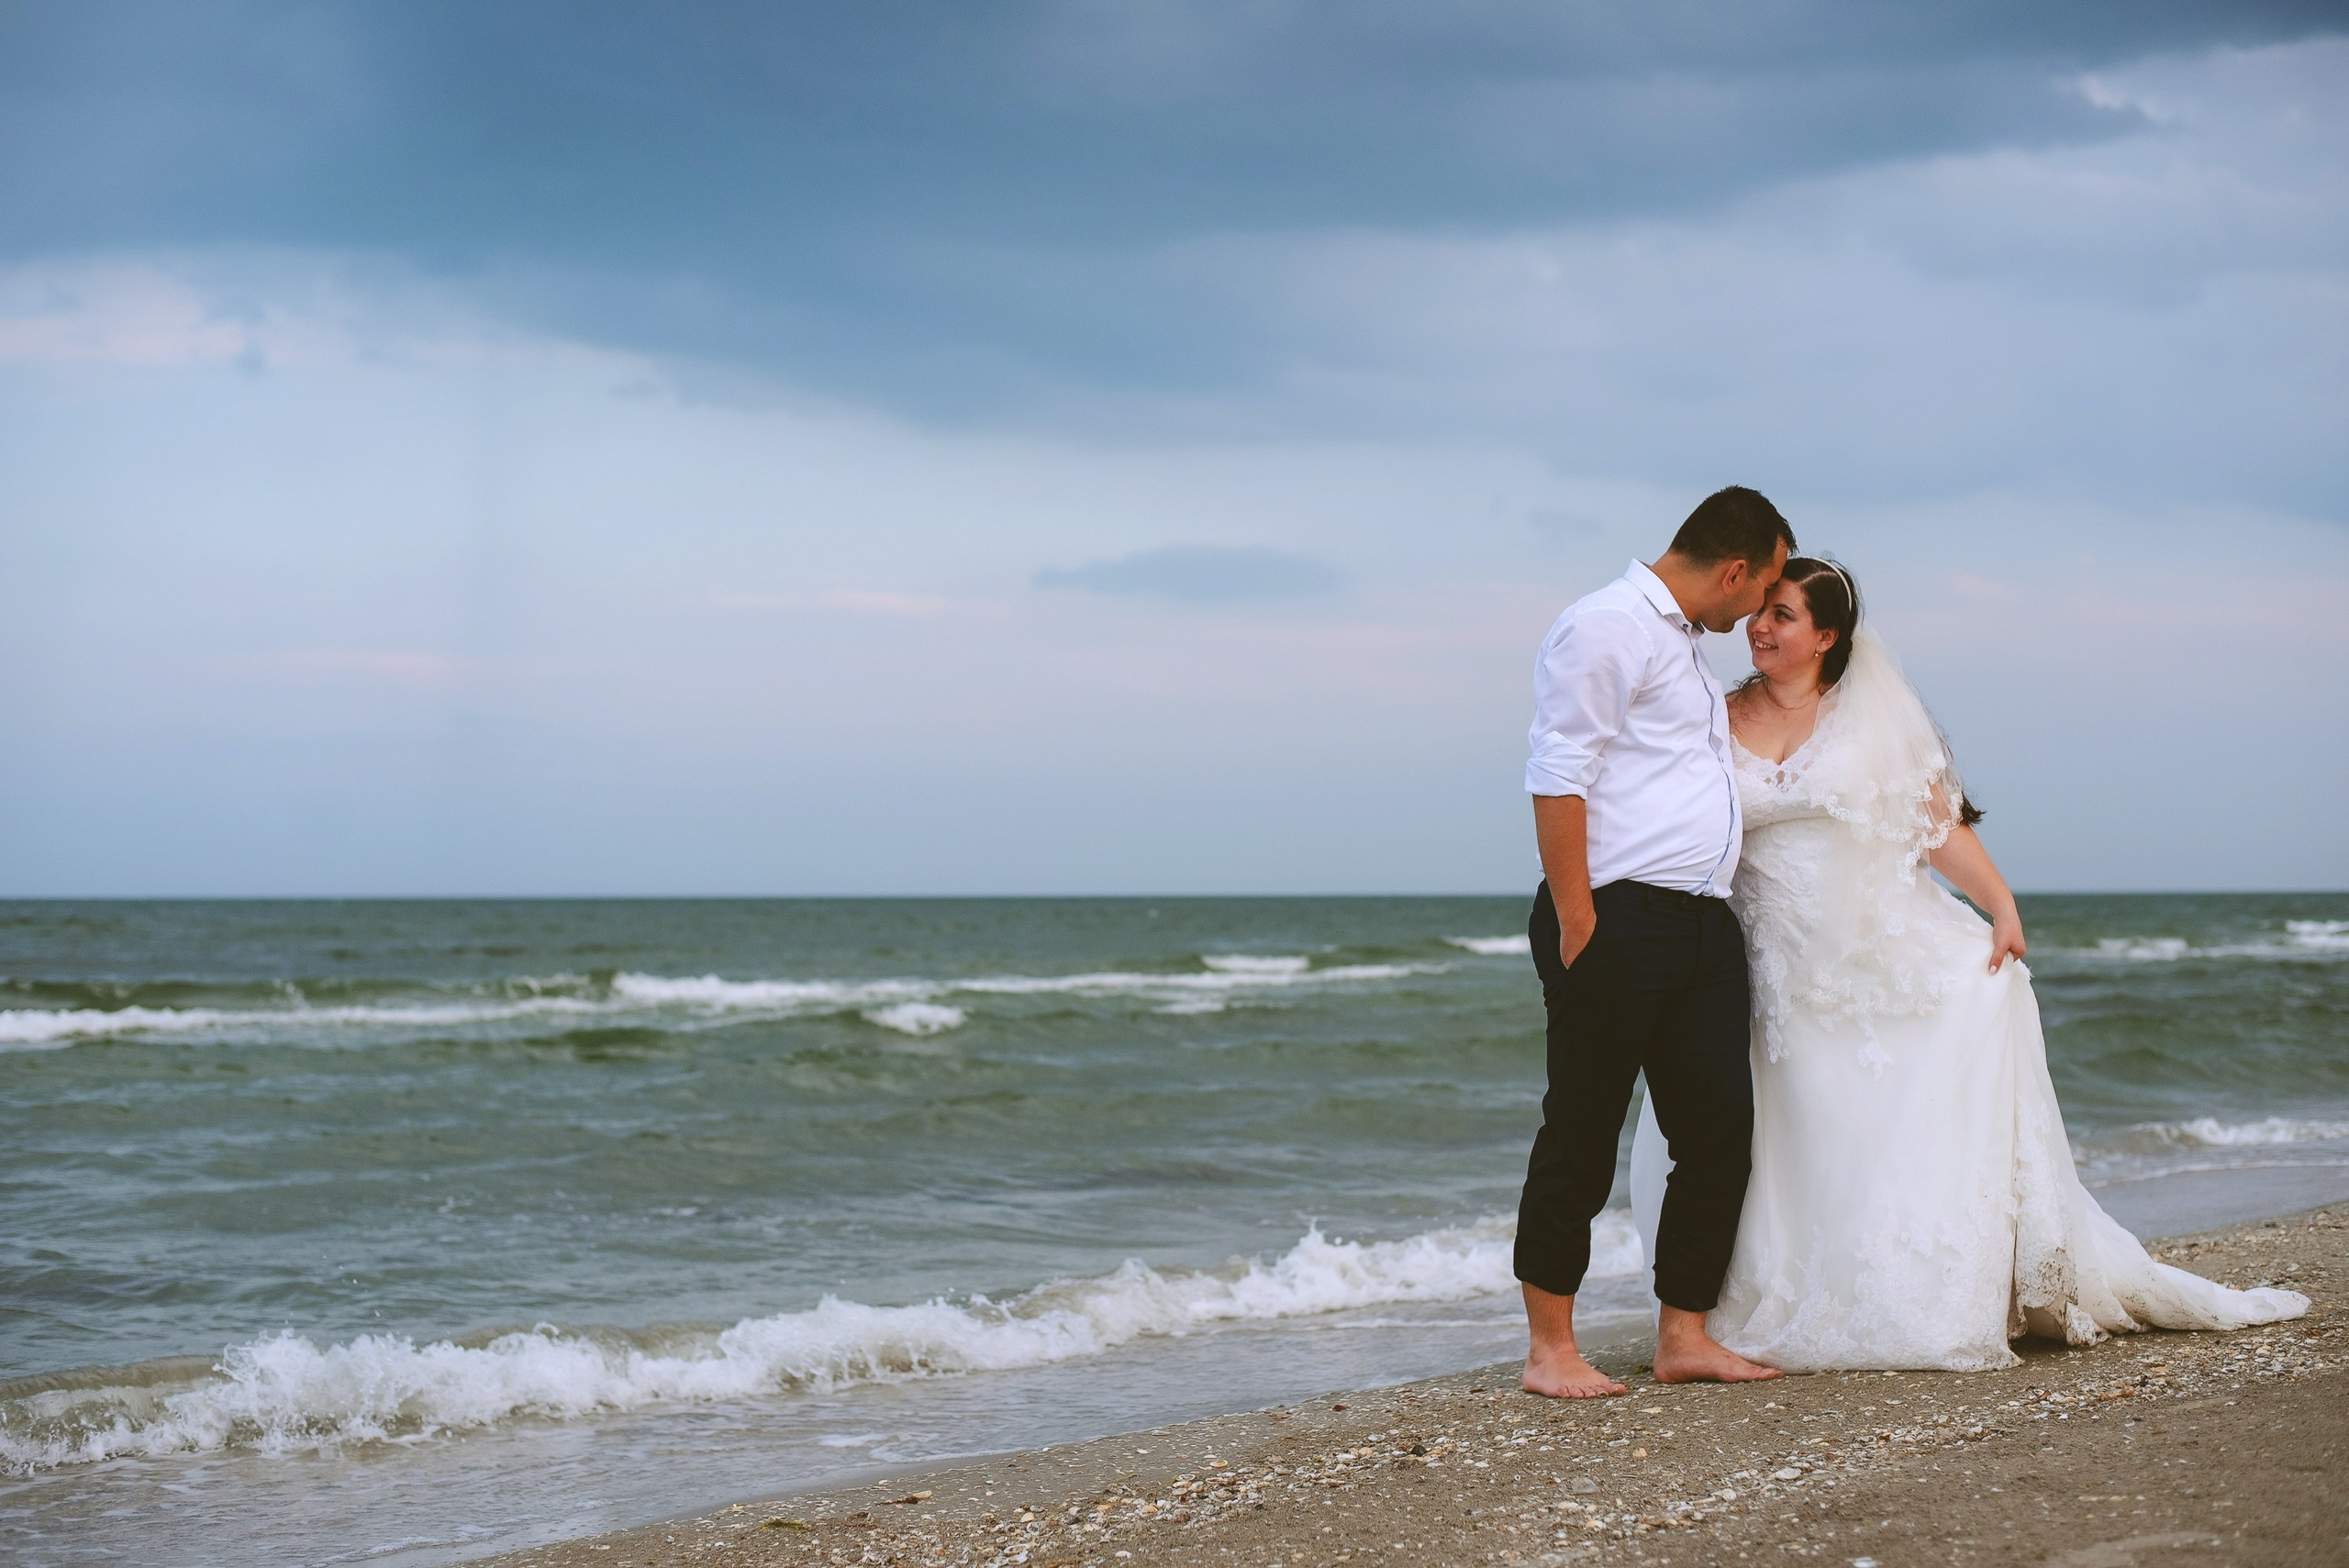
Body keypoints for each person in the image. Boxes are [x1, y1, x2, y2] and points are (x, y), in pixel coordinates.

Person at [1628, 558, 2309, 1370]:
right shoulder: (1719, 711)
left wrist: (2001, 903)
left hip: (1872, 954)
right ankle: (1742, 1297)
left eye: (1782, 614)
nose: (1760, 626)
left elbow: (1936, 824)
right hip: (1767, 965)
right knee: (1793, 1128)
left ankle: (1909, 1285)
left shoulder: (1870, 719)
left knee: (1881, 1107)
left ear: (1826, 636)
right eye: (1761, 611)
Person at [1516, 485, 1794, 1397]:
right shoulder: (1607, 625)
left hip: (1701, 924)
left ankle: (1684, 1334)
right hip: (1615, 916)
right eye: (1765, 588)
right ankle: (1549, 1349)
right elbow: (1558, 770)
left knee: (1717, 1131)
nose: (1759, 609)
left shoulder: (1680, 644)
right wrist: (1579, 918)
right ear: (1735, 569)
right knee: (1582, 1131)